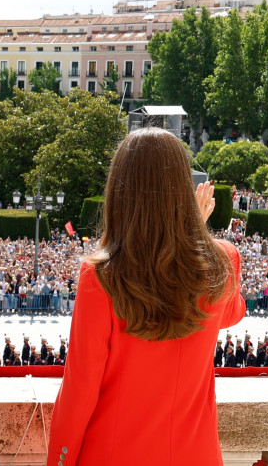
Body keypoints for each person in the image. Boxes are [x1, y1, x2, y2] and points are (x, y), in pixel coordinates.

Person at [47, 128, 244, 465]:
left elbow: (80, 392)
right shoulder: (222, 259)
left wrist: (59, 461)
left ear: (120, 192)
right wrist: (194, 227)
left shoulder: (100, 276)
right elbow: (231, 313)